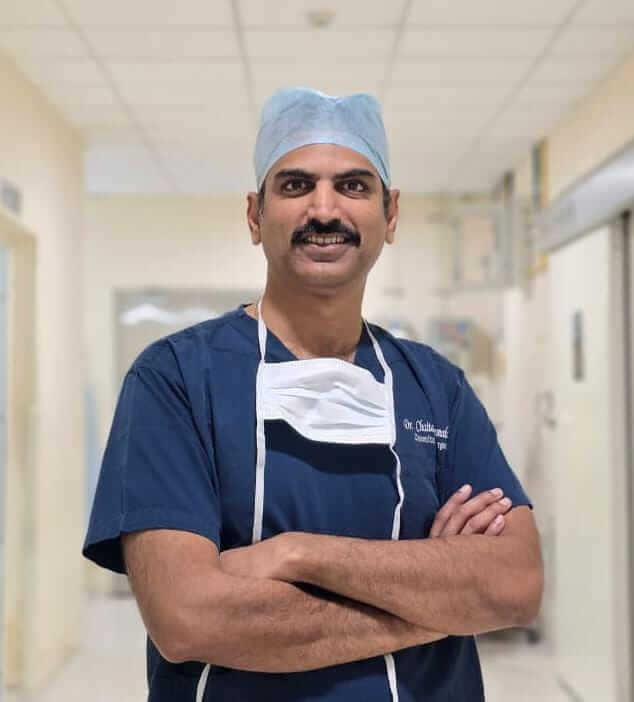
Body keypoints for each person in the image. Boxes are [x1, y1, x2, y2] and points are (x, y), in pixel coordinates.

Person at [83, 87, 543, 702]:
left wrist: (296, 554)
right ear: (255, 216)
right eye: (296, 185)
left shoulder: (438, 388)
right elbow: (188, 619)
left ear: (391, 214)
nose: (324, 210)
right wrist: (444, 600)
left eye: (353, 185)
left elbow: (516, 585)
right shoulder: (175, 380)